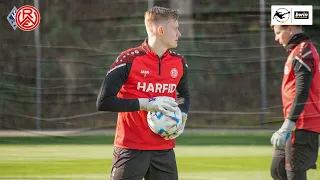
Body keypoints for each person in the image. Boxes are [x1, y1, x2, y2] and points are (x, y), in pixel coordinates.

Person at [96, 6, 190, 180]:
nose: (179, 34)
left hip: (164, 151)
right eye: (176, 28)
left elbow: (183, 95)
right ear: (161, 30)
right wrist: (145, 104)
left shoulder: (179, 62)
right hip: (130, 149)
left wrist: (183, 114)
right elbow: (104, 101)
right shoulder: (128, 60)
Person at [270, 24, 320, 180]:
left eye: (278, 33)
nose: (276, 38)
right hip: (296, 124)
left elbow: (302, 92)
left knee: (294, 174)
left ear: (290, 29)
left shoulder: (303, 52)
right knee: (278, 169)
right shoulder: (298, 51)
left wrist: (287, 125)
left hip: (303, 125)